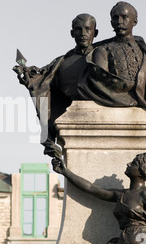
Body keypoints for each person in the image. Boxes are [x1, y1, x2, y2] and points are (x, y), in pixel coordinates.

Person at [77, 1, 146, 145]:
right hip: (111, 104)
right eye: (115, 18)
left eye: (124, 17)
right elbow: (99, 81)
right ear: (111, 22)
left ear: (134, 21)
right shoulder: (101, 51)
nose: (119, 22)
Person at [51, 151, 146, 244]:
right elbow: (91, 188)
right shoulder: (121, 195)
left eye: (134, 163)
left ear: (143, 170)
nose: (129, 164)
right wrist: (65, 172)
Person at [13, 13, 98, 159]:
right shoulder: (63, 61)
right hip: (70, 114)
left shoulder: (101, 57)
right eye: (78, 29)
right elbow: (43, 76)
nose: (83, 34)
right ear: (72, 33)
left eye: (87, 29)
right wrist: (28, 74)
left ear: (95, 33)